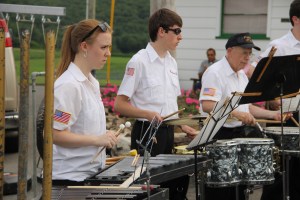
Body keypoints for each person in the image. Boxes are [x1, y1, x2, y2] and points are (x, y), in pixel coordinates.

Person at [114, 8, 198, 200]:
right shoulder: (138, 61)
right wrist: (146, 113)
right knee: (149, 192)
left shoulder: (171, 62)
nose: (181, 36)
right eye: (177, 31)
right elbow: (119, 105)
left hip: (167, 132)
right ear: (161, 31)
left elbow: (170, 103)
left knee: (170, 188)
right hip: (146, 132)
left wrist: (181, 124)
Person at [199, 32, 284, 200]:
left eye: (249, 53)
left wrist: (273, 114)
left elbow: (247, 108)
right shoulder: (214, 72)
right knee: (221, 190)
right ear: (230, 51)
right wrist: (236, 113)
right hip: (218, 135)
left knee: (240, 187)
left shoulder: (242, 76)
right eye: (244, 53)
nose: (247, 58)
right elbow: (207, 104)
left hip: (238, 135)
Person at [51, 19, 118, 186]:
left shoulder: (92, 83)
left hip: (88, 175)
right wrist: (97, 139)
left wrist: (104, 134)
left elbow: (83, 128)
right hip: (70, 179)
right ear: (84, 47)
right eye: (103, 47)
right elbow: (55, 134)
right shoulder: (68, 86)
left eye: (108, 47)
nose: (108, 53)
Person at [249, 1, 300, 199]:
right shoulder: (279, 46)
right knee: (281, 174)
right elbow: (254, 71)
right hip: (285, 115)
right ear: (295, 19)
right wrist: (270, 97)